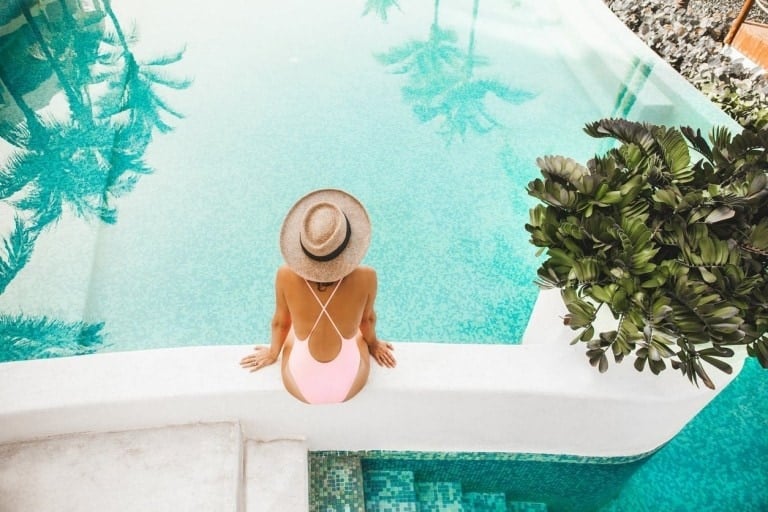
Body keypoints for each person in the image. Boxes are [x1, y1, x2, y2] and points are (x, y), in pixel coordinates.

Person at [240, 189, 396, 404]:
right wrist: (374, 344)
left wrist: (272, 353)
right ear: (349, 246)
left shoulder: (285, 275)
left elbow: (279, 324)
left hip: (301, 387)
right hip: (348, 386)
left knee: (294, 332)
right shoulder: (366, 277)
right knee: (357, 337)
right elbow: (366, 321)